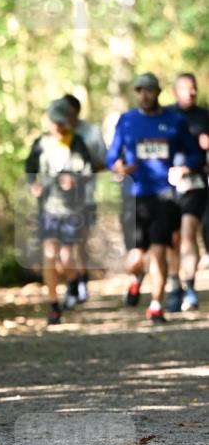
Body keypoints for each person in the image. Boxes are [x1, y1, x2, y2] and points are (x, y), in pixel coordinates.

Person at [105, 72, 199, 324]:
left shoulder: (174, 121)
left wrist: (184, 168)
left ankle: (156, 304)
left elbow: (194, 154)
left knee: (158, 252)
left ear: (158, 92)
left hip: (164, 197)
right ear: (137, 94)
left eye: (149, 90)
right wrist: (117, 167)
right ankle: (135, 278)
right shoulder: (127, 121)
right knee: (135, 257)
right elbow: (112, 155)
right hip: (134, 197)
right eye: (141, 91)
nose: (145, 95)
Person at [25, 98, 93, 325]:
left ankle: (73, 280)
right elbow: (29, 168)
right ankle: (53, 304)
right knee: (50, 254)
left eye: (62, 123)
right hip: (48, 209)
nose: (58, 126)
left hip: (72, 209)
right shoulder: (40, 143)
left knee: (65, 257)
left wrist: (74, 180)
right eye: (55, 122)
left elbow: (88, 172)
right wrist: (33, 185)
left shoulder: (77, 142)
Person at [165, 73, 209, 311]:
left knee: (189, 233)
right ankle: (174, 284)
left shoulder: (205, 116)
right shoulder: (166, 116)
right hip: (167, 186)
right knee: (173, 239)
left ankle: (190, 287)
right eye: (185, 88)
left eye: (193, 88)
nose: (191, 93)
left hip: (196, 182)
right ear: (175, 91)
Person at [61, 93, 107, 305]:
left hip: (86, 197)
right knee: (64, 244)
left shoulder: (92, 131)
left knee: (80, 241)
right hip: (59, 201)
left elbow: (104, 162)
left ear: (77, 112)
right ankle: (71, 283)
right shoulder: (55, 133)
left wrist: (82, 171)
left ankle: (81, 281)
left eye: (70, 113)